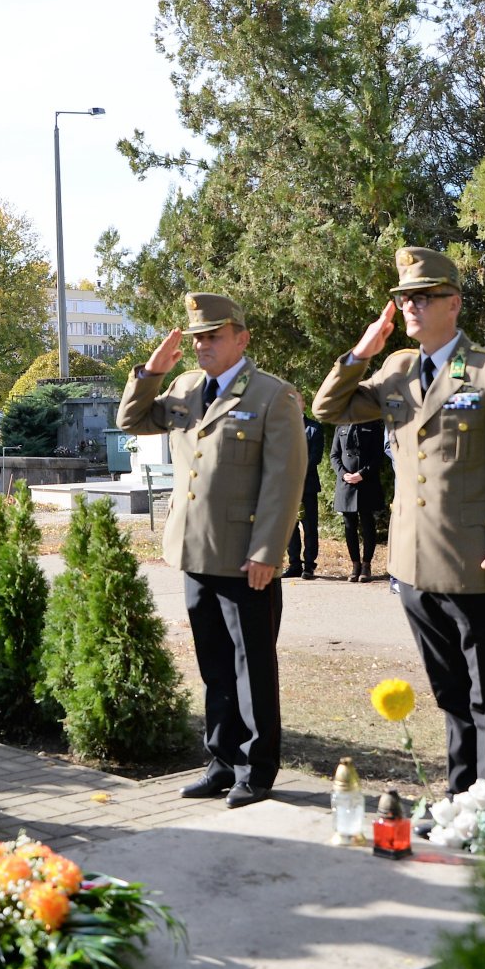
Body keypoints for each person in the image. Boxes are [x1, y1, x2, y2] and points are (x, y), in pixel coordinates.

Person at [312, 247, 485, 806]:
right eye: (404, 299)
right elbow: (330, 408)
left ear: (454, 303)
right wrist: (363, 350)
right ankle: (458, 794)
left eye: (424, 297)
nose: (411, 307)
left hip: (477, 562)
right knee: (448, 691)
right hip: (412, 562)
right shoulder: (396, 368)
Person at [116, 293, 307, 808]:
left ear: (241, 338)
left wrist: (269, 550)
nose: (202, 344)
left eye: (213, 335)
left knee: (253, 667)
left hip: (247, 558)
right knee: (214, 666)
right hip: (194, 552)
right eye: (198, 336)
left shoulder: (272, 396)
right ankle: (222, 760)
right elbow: (132, 420)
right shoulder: (182, 388)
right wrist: (151, 372)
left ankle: (256, 769)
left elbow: (284, 482)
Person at [332, 420, 387, 581]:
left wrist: (362, 474)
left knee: (367, 524)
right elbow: (334, 455)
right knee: (349, 525)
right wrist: (343, 474)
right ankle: (355, 564)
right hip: (346, 483)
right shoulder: (340, 426)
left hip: (366, 482)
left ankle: (366, 565)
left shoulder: (373, 425)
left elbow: (378, 456)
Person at [283, 416, 324, 578]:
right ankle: (294, 564)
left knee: (310, 527)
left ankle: (309, 565)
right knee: (290, 528)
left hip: (307, 485)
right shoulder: (282, 425)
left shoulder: (314, 428)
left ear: (302, 403)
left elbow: (316, 457)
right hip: (287, 485)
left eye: (297, 399)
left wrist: (296, 471)